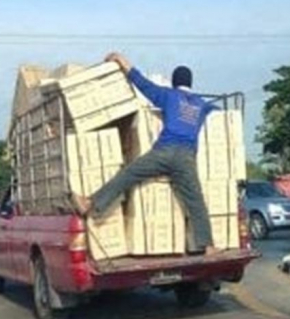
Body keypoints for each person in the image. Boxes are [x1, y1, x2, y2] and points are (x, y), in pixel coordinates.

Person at [73, 52, 219, 255]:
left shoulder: (169, 95)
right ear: (191, 83)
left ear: (174, 81)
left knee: (128, 174)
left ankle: (91, 203)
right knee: (195, 200)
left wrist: (120, 60)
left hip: (164, 151)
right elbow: (220, 115)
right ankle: (209, 246)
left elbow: (142, 83)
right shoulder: (201, 104)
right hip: (186, 157)